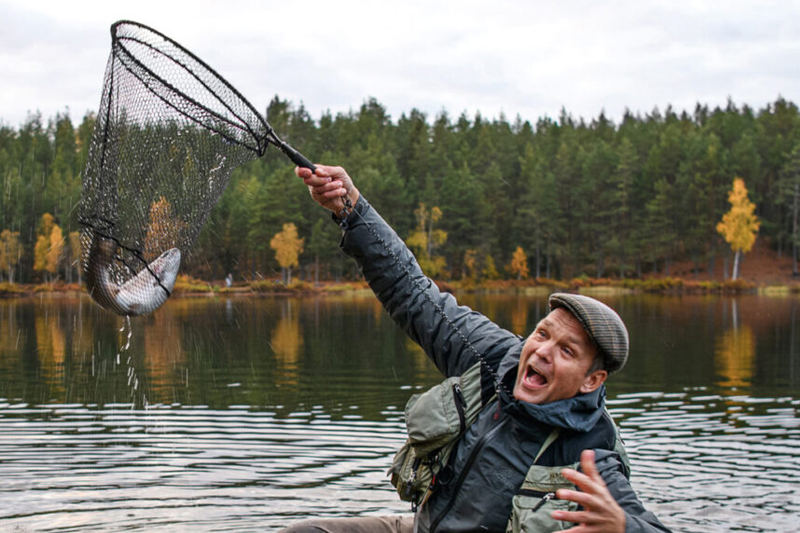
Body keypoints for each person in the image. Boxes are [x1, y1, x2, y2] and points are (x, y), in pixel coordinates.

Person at [282, 164, 672, 533]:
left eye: (567, 351)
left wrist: (625, 526)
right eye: (542, 333)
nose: (541, 352)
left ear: (593, 380)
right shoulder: (493, 358)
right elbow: (413, 292)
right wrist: (351, 207)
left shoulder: (594, 452)